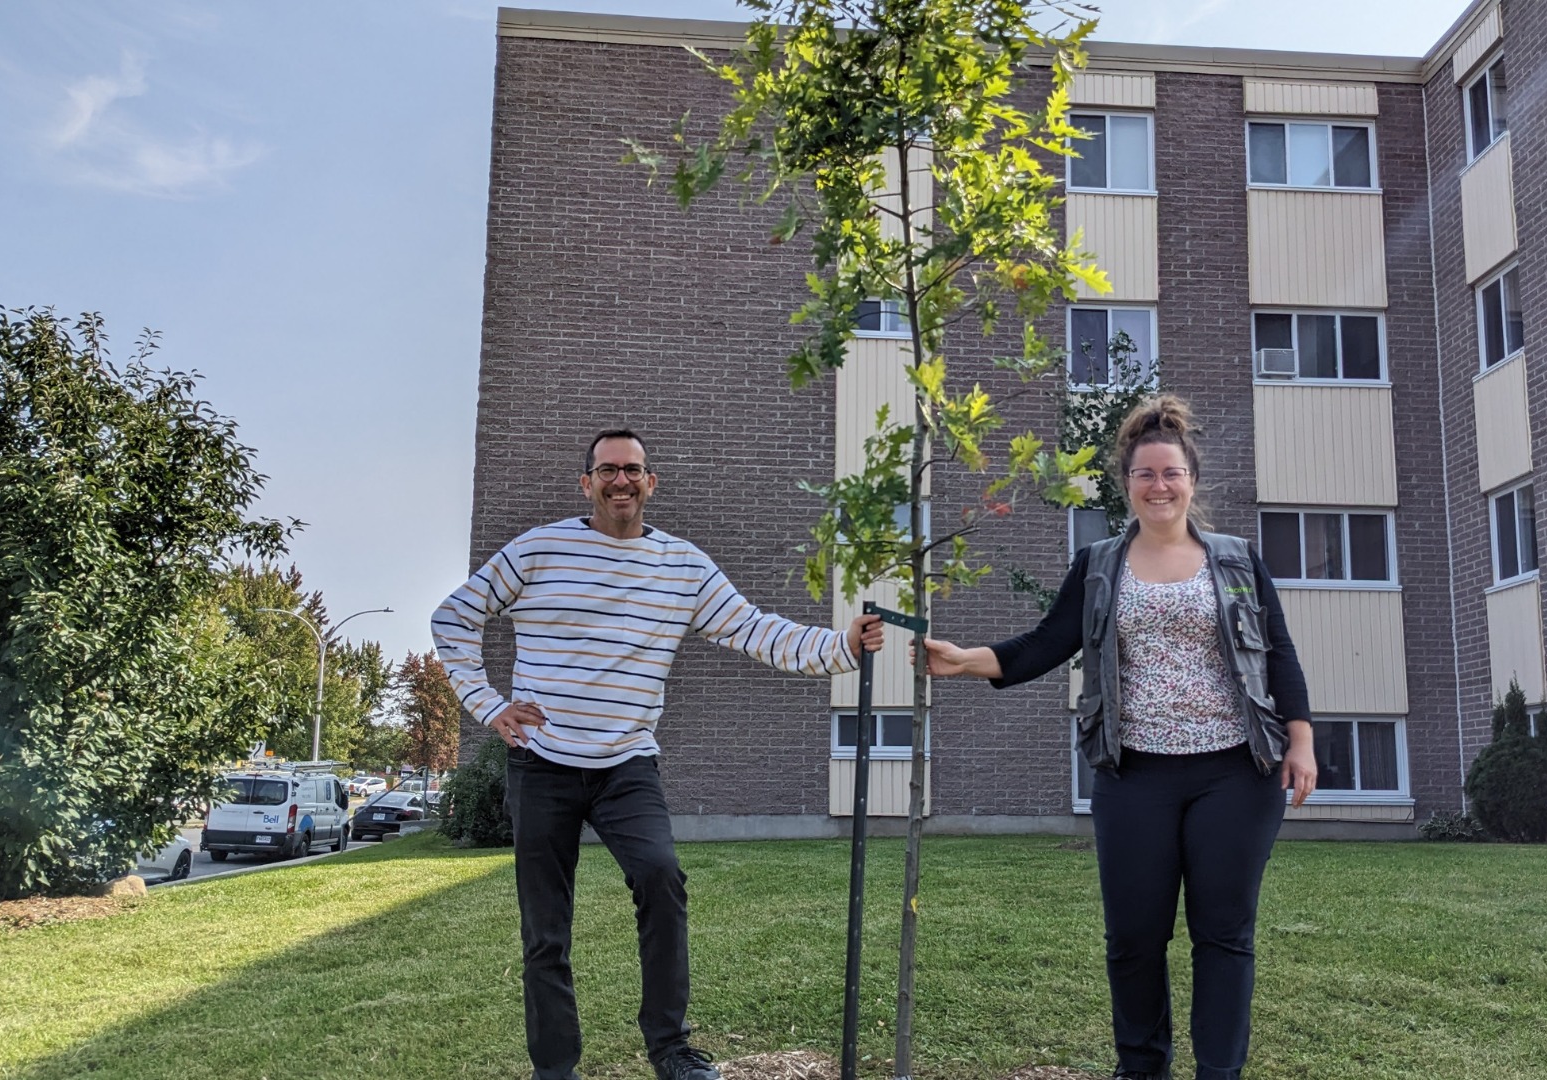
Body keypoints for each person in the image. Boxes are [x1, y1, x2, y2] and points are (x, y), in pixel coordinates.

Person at [433, 429, 884, 1080]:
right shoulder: (539, 550)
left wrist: (840, 645)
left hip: (626, 765)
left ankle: (671, 1051)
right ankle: (554, 1069)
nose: (621, 480)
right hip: (542, 763)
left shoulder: (685, 567)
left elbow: (755, 630)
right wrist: (489, 704)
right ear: (586, 483)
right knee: (546, 929)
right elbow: (454, 617)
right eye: (607, 470)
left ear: (651, 483)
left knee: (661, 880)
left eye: (633, 470)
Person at [922, 395, 1317, 1080]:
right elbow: (1047, 643)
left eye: (1171, 473)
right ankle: (1141, 1069)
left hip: (1237, 772)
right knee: (1134, 938)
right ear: (1126, 483)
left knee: (1223, 936)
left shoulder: (1236, 560)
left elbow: (1278, 652)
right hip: (1134, 774)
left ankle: (1218, 1073)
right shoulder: (1101, 564)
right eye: (1145, 475)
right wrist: (966, 659)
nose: (1159, 486)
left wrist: (1302, 741)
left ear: (1191, 480)